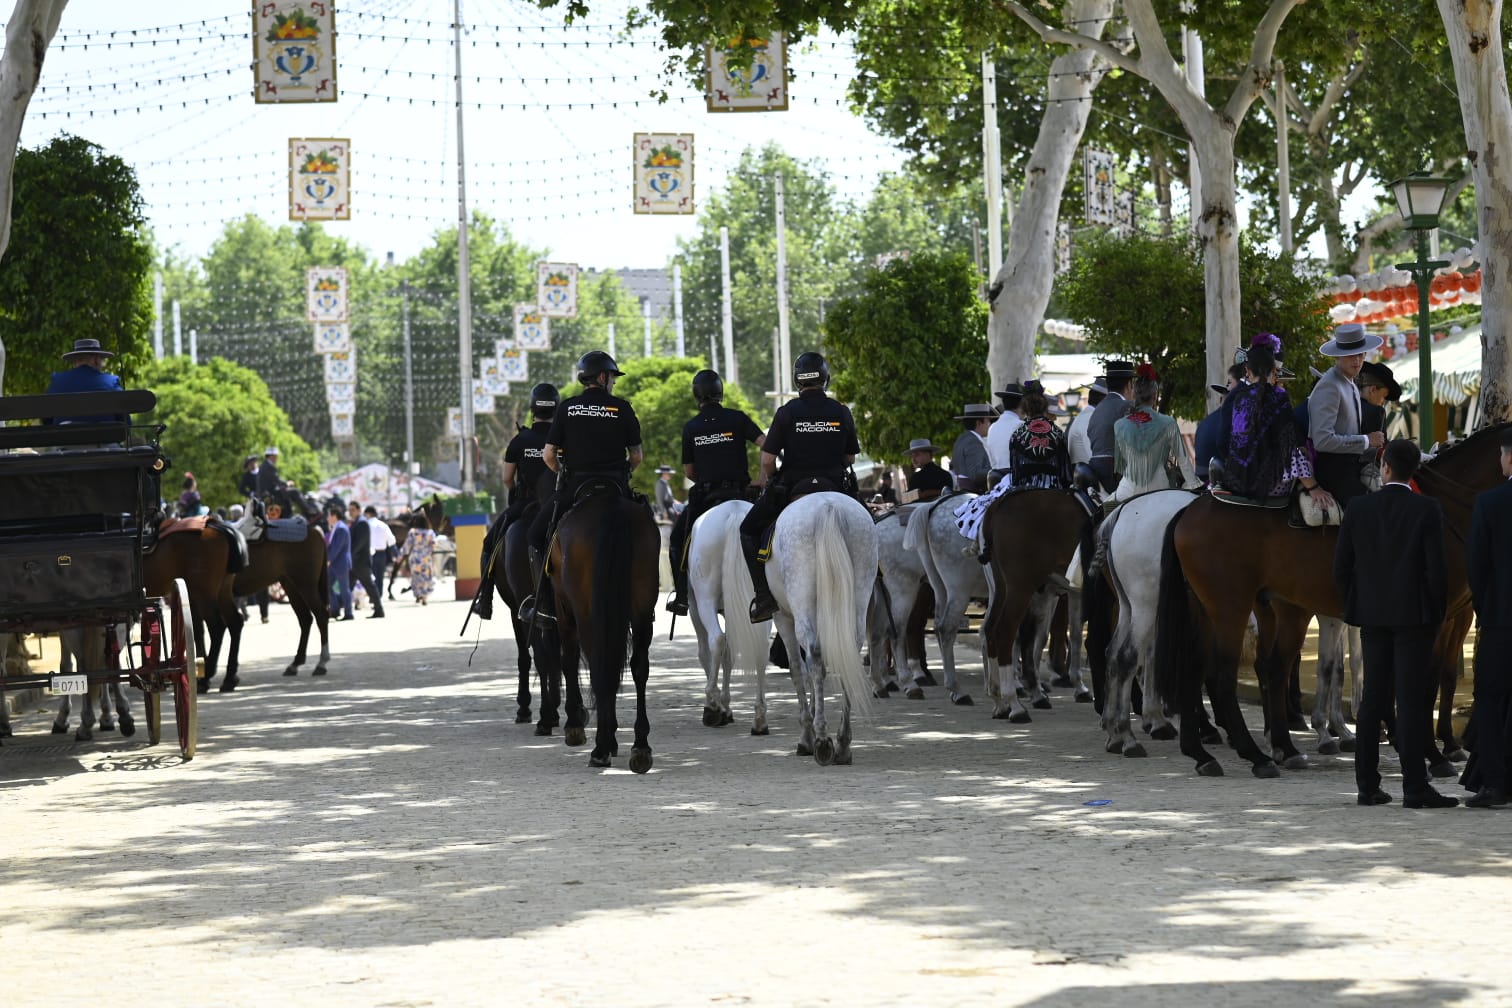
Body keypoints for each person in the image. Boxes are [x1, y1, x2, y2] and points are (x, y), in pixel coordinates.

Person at [1334, 438, 1454, 808]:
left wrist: (1357, 604)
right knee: (1412, 700)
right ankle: (1415, 787)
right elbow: (1437, 571)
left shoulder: (1358, 508)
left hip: (1372, 615)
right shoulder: (1427, 509)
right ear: (1413, 470)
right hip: (1414, 616)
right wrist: (1436, 613)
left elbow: (1341, 569)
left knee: (1372, 700)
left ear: (1384, 467)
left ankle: (1367, 785)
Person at [739, 350, 859, 622]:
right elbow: (850, 457)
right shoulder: (841, 411)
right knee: (872, 530)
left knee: (747, 530)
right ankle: (875, 584)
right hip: (836, 488)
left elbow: (768, 459)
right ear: (826, 379)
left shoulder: (786, 412)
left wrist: (769, 477)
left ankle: (764, 597)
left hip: (794, 489)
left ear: (798, 381)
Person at [523, 351, 643, 622]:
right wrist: (624, 473)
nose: (613, 383)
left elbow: (548, 456)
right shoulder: (622, 407)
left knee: (534, 536)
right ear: (602, 377)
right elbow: (636, 456)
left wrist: (564, 474)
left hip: (576, 485)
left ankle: (543, 603)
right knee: (644, 527)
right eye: (612, 377)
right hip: (615, 484)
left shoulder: (567, 407)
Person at [665, 368, 765, 615]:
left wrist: (708, 476)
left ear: (696, 396)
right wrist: (761, 479)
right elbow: (766, 443)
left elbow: (689, 472)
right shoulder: (738, 418)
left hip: (707, 497)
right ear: (720, 393)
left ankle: (681, 596)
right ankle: (766, 592)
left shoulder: (691, 427)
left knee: (678, 541)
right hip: (740, 494)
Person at [472, 383, 557, 621]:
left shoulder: (520, 441)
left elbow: (507, 479)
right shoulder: (561, 438)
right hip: (558, 503)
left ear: (532, 409)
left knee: (490, 542)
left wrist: (517, 494)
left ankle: (485, 601)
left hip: (526, 504)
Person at [1460, 427, 1512, 808]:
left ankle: (1494, 784)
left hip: (1501, 621)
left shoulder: (1489, 503)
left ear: (1508, 458)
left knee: (1490, 701)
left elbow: (1476, 569)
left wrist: (1486, 611)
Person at [1217, 338, 1330, 503]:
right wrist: (1312, 487)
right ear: (1274, 371)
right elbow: (1289, 448)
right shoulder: (1278, 396)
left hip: (1235, 480)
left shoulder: (1239, 397)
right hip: (1265, 486)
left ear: (1247, 371)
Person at [1309, 323, 1386, 508]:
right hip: (1334, 472)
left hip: (1351, 467)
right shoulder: (1330, 385)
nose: (1357, 360)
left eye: (1361, 354)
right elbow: (1323, 440)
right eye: (1351, 355)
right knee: (1370, 512)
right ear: (1337, 355)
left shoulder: (1348, 382)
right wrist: (1366, 440)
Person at [1111, 363, 1196, 500]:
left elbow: (1121, 464)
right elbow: (1183, 460)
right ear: (1155, 396)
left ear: (1134, 395)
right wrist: (1193, 484)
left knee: (1103, 513)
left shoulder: (1119, 425)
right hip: (1159, 488)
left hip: (1128, 489)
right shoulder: (1168, 422)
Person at [1006, 381, 1071, 490]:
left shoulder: (1016, 435)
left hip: (1025, 490)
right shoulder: (1058, 433)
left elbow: (1015, 474)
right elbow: (1065, 472)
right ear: (1045, 406)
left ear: (1024, 408)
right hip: (1054, 489)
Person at [44, 338, 126, 423]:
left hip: (65, 435)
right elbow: (124, 420)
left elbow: (47, 418)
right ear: (96, 360)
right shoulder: (111, 381)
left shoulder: (57, 380)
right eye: (102, 359)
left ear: (76, 361)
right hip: (104, 435)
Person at [1086, 361, 1137, 493]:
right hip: (1115, 471)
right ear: (1129, 385)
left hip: (1095, 466)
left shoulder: (1098, 408)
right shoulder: (1127, 407)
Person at [1357, 360, 1401, 491]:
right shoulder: (1376, 411)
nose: (1383, 403)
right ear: (1373, 390)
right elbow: (1381, 450)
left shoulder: (1348, 405)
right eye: (1383, 397)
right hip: (1366, 473)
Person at [347, 500, 382, 618]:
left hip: (360, 562)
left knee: (369, 586)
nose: (350, 512)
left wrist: (350, 555)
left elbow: (360, 543)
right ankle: (345, 610)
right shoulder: (356, 522)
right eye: (349, 510)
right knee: (348, 586)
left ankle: (379, 610)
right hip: (355, 562)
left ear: (358, 510)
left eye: (352, 510)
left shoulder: (361, 523)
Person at [950, 403, 995, 493]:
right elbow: (976, 474)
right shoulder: (972, 441)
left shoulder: (962, 438)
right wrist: (998, 472)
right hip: (974, 491)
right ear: (978, 423)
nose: (989, 425)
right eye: (988, 421)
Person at [985, 382, 1025, 481]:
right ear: (1021, 405)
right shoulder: (1021, 426)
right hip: (1017, 478)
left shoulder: (992, 427)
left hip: (995, 479)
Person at [1066, 378, 1106, 468]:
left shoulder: (1087, 415)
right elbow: (1094, 456)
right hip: (1087, 476)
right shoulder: (1090, 418)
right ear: (1104, 400)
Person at [365, 505, 397, 612]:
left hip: (369, 554)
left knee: (370, 578)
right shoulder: (383, 525)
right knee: (379, 578)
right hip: (382, 554)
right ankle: (378, 599)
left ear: (368, 513)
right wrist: (395, 554)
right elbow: (392, 541)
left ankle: (373, 598)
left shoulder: (366, 525)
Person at [400, 513, 438, 605]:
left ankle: (418, 595)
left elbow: (407, 546)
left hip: (415, 557)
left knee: (416, 577)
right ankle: (425, 597)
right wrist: (428, 549)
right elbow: (435, 545)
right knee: (426, 577)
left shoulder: (413, 532)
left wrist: (402, 555)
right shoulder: (430, 532)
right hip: (426, 558)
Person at [325, 503, 353, 621]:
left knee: (344, 588)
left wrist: (328, 560)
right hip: (335, 564)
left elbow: (336, 547)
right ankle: (335, 610)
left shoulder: (341, 528)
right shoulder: (336, 527)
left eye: (329, 516)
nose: (327, 519)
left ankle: (348, 613)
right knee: (327, 586)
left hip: (340, 563)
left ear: (334, 516)